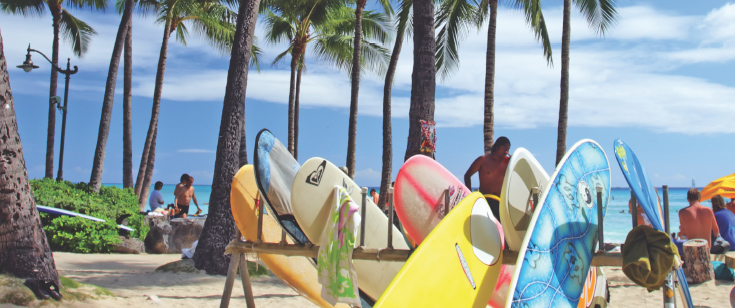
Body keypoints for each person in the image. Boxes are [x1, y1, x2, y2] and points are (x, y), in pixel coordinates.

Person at [464, 136, 511, 222]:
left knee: (500, 232)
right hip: (485, 201)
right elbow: (467, 175)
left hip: (500, 203)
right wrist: (469, 195)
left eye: (508, 149)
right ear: (497, 147)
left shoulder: (508, 163)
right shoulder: (483, 160)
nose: (506, 152)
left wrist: (513, 162)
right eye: (505, 149)